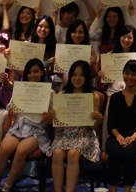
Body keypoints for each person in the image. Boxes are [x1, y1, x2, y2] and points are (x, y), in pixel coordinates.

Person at [0, 58, 53, 192]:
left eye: (36, 71)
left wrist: (47, 118)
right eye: (30, 72)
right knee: (4, 149)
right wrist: (12, 113)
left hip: (37, 130)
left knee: (21, 151)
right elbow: (11, 110)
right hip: (19, 126)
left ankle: (7, 187)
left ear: (42, 72)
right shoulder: (20, 89)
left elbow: (50, 122)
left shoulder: (50, 93)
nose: (32, 75)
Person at [48, 61, 103, 192]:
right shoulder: (61, 96)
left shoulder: (93, 97)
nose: (77, 78)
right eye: (74, 74)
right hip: (65, 134)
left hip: (85, 134)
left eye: (81, 75)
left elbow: (93, 127)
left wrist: (98, 118)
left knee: (73, 153)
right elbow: (58, 127)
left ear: (87, 77)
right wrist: (53, 117)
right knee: (57, 153)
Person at [104, 60, 136, 192]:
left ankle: (127, 189)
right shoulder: (115, 97)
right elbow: (111, 123)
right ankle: (113, 189)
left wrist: (133, 137)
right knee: (114, 152)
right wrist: (119, 137)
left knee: (129, 153)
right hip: (116, 137)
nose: (129, 77)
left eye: (133, 74)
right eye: (127, 73)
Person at [95, 24, 136, 95]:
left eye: (130, 37)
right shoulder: (109, 56)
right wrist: (102, 76)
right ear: (119, 37)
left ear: (134, 40)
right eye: (124, 36)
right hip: (112, 92)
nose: (126, 40)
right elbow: (104, 83)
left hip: (132, 93)